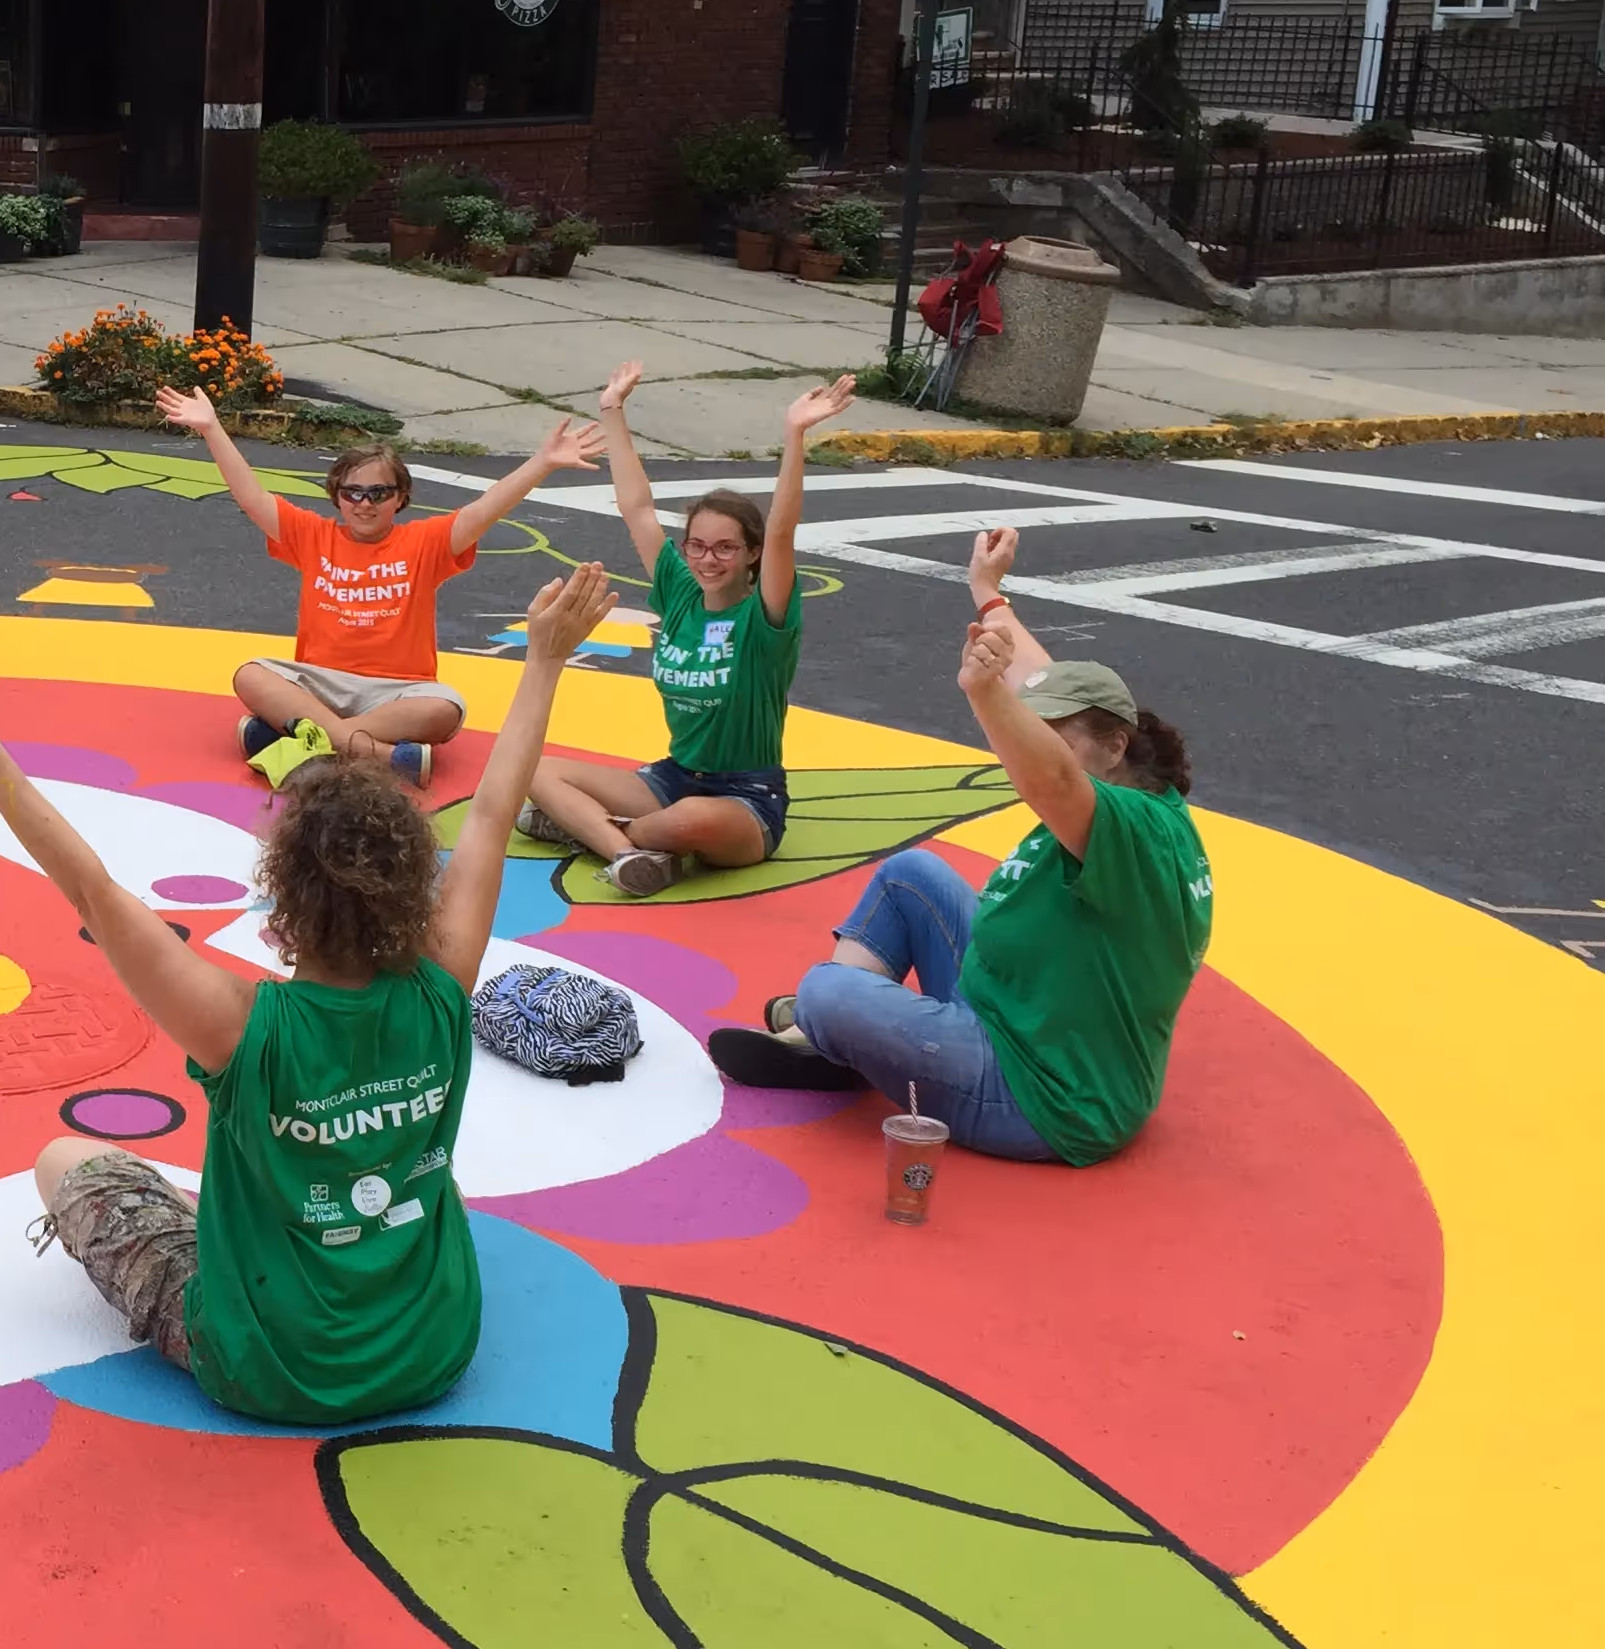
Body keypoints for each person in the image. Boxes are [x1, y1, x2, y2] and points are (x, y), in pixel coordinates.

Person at [0, 562, 620, 1422]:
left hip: (268, 1367)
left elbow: (94, 892)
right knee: (408, 1172)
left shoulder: (241, 1027)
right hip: (433, 1347)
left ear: (282, 903)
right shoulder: (443, 989)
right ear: (410, 893)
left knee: (66, 1161)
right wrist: (545, 659)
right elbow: (488, 813)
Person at [707, 528, 1212, 1167]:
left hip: (1043, 1095)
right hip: (1019, 1012)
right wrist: (988, 593)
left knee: (825, 993)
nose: (1032, 742)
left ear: (1114, 747)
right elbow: (1050, 686)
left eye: (1053, 734)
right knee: (911, 874)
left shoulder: (1128, 827)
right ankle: (834, 1044)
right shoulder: (1123, 779)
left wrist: (984, 692)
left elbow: (1051, 774)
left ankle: (836, 1034)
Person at [158, 389, 605, 791]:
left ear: (400, 497)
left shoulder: (424, 542)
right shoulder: (313, 535)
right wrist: (212, 428)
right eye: (353, 493)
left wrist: (542, 463)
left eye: (378, 492)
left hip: (398, 692)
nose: (364, 503)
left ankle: (302, 741)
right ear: (336, 496)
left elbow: (485, 508)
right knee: (250, 674)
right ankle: (380, 756)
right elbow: (251, 496)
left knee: (445, 709)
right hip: (319, 684)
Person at [522, 365, 856, 897]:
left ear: (751, 555)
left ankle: (588, 829)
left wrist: (795, 435)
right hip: (672, 778)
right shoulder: (678, 591)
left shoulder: (765, 617)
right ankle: (627, 854)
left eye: (726, 548)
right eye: (696, 545)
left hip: (745, 798)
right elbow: (637, 506)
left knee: (691, 821)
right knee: (534, 769)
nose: (707, 559)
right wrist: (611, 409)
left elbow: (783, 529)